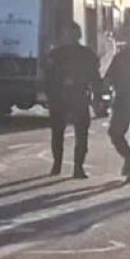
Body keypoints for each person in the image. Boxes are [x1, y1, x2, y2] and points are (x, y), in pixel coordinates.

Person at [43, 22, 101, 179]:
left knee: (78, 134)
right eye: (67, 34)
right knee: (61, 133)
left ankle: (76, 166)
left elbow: (95, 78)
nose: (68, 37)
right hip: (62, 97)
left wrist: (97, 96)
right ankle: (61, 164)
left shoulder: (84, 54)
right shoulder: (57, 54)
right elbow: (48, 77)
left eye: (71, 34)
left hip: (77, 96)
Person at [104, 27, 130, 181]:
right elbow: (109, 77)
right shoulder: (120, 58)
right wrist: (104, 90)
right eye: (129, 36)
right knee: (115, 132)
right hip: (122, 100)